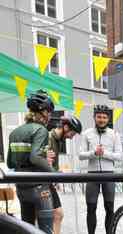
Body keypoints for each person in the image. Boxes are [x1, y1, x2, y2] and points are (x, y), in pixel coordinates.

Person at [7, 90, 55, 234]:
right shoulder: (41, 130)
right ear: (42, 112)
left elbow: (10, 163)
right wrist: (54, 173)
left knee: (27, 229)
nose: (50, 115)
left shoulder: (15, 132)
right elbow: (35, 157)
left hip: (21, 186)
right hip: (39, 187)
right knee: (46, 230)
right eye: (49, 111)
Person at [79, 104, 123, 234]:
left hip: (109, 174)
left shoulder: (114, 134)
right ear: (94, 117)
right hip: (92, 175)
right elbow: (81, 155)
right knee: (91, 208)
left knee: (109, 208)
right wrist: (93, 152)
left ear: (108, 119)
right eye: (99, 117)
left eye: (104, 117)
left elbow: (119, 156)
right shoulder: (87, 133)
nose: (102, 120)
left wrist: (104, 153)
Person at [46, 115, 82, 234]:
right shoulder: (49, 137)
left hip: (49, 180)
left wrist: (56, 176)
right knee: (57, 214)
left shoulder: (58, 140)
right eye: (73, 133)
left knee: (57, 215)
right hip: (44, 182)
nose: (72, 137)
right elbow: (45, 162)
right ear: (66, 127)